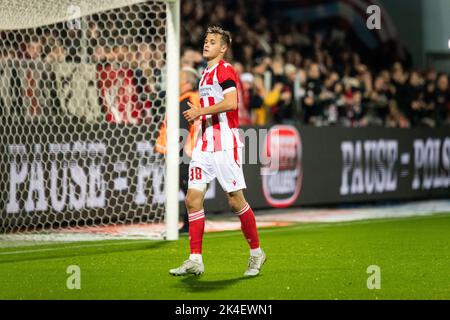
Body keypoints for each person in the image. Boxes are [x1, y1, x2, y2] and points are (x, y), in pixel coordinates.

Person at [169, 25, 266, 277]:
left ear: (223, 48)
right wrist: (198, 120)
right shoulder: (204, 74)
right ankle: (195, 259)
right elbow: (212, 106)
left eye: (212, 41)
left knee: (235, 201)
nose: (206, 44)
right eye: (205, 40)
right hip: (204, 144)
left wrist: (200, 111)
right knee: (192, 199)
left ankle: (256, 252)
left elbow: (232, 103)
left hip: (225, 143)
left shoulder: (225, 70)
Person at [155, 67, 201, 234]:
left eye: (179, 78)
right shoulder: (186, 99)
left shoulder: (188, 100)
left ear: (187, 82)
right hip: (186, 152)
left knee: (187, 188)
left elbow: (183, 129)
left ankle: (189, 224)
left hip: (186, 153)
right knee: (186, 188)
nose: (175, 81)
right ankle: (188, 224)